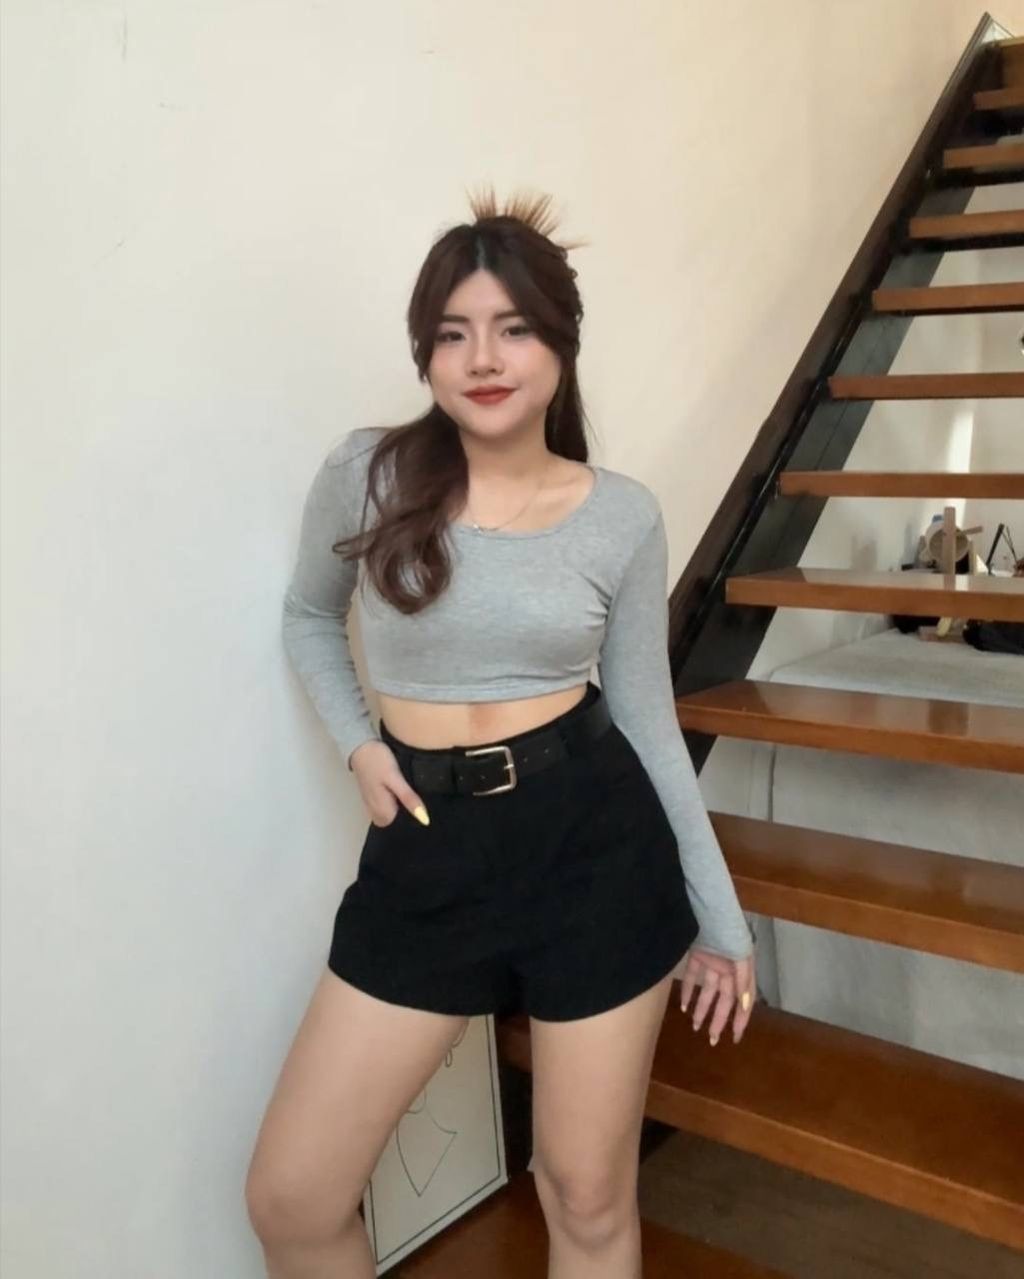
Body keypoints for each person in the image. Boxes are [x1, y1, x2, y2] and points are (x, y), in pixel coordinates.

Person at [245, 186, 757, 1279]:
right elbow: (305, 616)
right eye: (452, 333)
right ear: (425, 354)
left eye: (513, 328)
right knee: (293, 1194)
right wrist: (360, 743)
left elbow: (647, 719)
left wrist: (720, 919)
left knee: (583, 1193)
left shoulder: (621, 513)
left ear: (560, 344)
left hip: (591, 843)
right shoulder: (368, 475)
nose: (482, 357)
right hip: (427, 849)